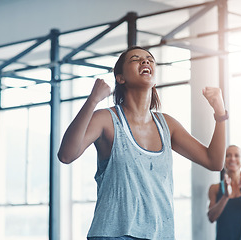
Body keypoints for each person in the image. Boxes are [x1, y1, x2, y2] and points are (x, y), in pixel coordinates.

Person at [58, 46, 228, 240]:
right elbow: (66, 155)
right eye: (135, 59)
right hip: (113, 235)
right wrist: (93, 100)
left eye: (149, 59)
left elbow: (214, 162)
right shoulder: (106, 119)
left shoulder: (167, 125)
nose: (145, 61)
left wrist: (220, 113)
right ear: (120, 78)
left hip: (160, 236)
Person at [207, 145, 241, 240]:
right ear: (223, 161)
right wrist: (225, 197)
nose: (232, 158)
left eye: (237, 155)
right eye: (228, 155)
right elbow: (211, 217)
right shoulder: (215, 188)